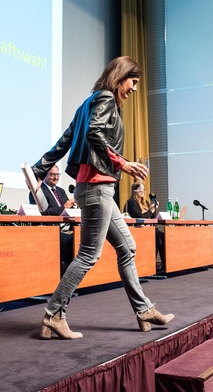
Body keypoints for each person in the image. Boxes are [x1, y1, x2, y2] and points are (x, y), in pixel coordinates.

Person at [31, 56, 175, 340]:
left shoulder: (89, 102)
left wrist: (40, 167)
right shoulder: (106, 99)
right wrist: (123, 163)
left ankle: (144, 309)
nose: (134, 89)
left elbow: (65, 140)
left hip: (97, 189)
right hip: (97, 187)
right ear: (121, 77)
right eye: (133, 82)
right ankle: (53, 314)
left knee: (127, 247)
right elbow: (95, 133)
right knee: (88, 254)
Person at [29, 165, 75, 275]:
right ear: (45, 174)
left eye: (57, 175)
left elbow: (69, 210)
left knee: (84, 237)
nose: (55, 177)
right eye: (52, 175)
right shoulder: (37, 191)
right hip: (50, 231)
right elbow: (43, 212)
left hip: (67, 228)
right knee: (71, 240)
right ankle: (64, 278)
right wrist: (65, 206)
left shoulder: (61, 191)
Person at [125, 182, 166, 272]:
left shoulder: (145, 202)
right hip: (137, 229)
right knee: (158, 236)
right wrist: (150, 210)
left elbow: (151, 217)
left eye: (143, 189)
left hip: (148, 229)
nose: (143, 191)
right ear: (135, 191)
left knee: (163, 236)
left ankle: (164, 265)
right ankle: (151, 266)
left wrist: (154, 209)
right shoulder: (131, 202)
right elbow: (140, 217)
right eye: (140, 189)